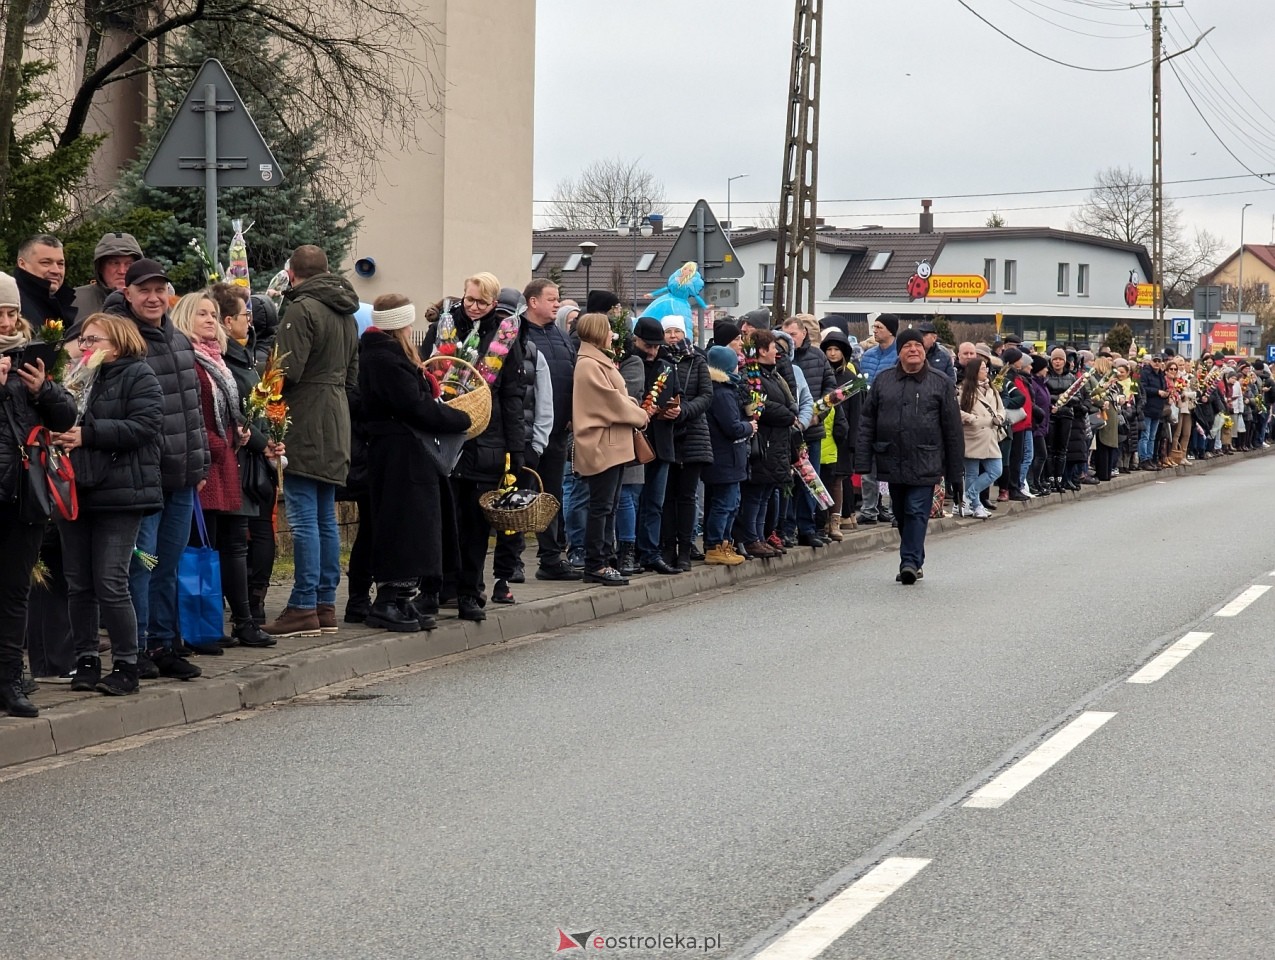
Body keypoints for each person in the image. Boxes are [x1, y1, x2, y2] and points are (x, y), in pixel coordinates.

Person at [109, 259, 209, 681]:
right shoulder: (122, 342)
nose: (153, 298)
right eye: (143, 290)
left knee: (167, 564)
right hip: (144, 478)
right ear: (127, 294)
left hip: (182, 475)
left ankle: (166, 643)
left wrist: (199, 461)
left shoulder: (180, 342)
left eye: (159, 290)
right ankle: (139, 646)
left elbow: (192, 410)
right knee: (142, 566)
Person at [52, 314, 162, 695]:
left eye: (93, 340)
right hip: (74, 489)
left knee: (111, 581)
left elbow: (146, 426)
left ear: (117, 343)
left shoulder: (139, 375)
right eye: (82, 340)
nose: (85, 347)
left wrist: (88, 434)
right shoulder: (77, 377)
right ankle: (86, 659)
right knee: (78, 583)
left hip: (120, 492)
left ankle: (127, 663)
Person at [358, 294, 472, 629]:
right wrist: (456, 418)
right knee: (402, 526)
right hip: (398, 454)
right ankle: (389, 598)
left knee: (416, 525)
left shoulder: (387, 354)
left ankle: (403, 597)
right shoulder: (384, 358)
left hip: (407, 452)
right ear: (399, 323)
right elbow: (412, 405)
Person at [266, 245, 360, 637]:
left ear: (291, 274)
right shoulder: (347, 314)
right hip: (337, 414)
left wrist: (264, 388)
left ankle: (303, 605)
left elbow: (287, 370)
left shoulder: (302, 309)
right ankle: (324, 604)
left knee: (304, 517)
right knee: (325, 517)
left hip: (304, 415)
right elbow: (353, 377)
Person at [422, 272, 526, 621]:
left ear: (494, 303)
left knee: (476, 526)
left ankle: (470, 591)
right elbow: (425, 374)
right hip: (445, 436)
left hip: (486, 440)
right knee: (443, 521)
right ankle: (437, 589)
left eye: (482, 302)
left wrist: (516, 449)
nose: (475, 307)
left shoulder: (508, 337)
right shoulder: (444, 329)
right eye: (470, 300)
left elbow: (513, 395)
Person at [0, 308, 75, 715]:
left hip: (25, 496)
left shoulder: (30, 357)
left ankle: (10, 680)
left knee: (15, 593)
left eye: (11, 312)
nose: (6, 321)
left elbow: (66, 415)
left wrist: (43, 390)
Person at [856, 327, 964, 584]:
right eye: (907, 346)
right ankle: (915, 556)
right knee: (902, 514)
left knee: (916, 511)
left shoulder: (940, 382)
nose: (913, 350)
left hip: (926, 460)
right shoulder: (883, 380)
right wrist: (862, 459)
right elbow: (867, 421)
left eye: (917, 345)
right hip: (892, 458)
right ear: (900, 351)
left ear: (924, 350)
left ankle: (909, 562)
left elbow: (953, 430)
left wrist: (955, 472)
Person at [212, 283, 281, 628]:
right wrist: (262, 440)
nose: (250, 321)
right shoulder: (226, 360)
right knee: (236, 539)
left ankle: (252, 604)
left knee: (257, 532)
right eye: (244, 315)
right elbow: (236, 412)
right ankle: (244, 610)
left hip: (255, 456)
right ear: (227, 321)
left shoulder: (244, 353)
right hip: (241, 456)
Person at [570, 312, 650, 585]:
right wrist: (639, 415)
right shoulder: (589, 365)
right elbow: (611, 402)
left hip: (611, 443)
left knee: (609, 505)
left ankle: (604, 559)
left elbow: (618, 397)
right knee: (601, 506)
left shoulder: (597, 361)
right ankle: (596, 564)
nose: (612, 334)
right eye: (608, 329)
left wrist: (632, 408)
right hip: (602, 444)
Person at [492, 286, 554, 603]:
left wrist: (536, 445)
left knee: (513, 514)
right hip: (488, 445)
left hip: (522, 445)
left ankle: (507, 572)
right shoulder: (486, 348)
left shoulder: (531, 353)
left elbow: (544, 403)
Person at [519, 279, 579, 583]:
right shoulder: (516, 333)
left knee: (551, 495)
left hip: (557, 430)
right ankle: (512, 559)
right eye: (552, 299)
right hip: (525, 432)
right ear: (533, 302)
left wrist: (570, 415)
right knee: (518, 495)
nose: (557, 304)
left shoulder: (559, 335)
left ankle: (551, 557)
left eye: (558, 299)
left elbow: (570, 376)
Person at [627, 316, 682, 575]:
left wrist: (676, 410)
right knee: (632, 501)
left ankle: (650, 552)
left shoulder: (666, 364)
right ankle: (629, 552)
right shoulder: (628, 362)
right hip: (634, 443)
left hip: (662, 441)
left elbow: (677, 396)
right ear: (636, 340)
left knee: (654, 503)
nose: (652, 351)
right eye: (648, 345)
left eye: (656, 346)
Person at [736, 330, 797, 558]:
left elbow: (791, 403)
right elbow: (761, 405)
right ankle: (751, 538)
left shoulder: (773, 375)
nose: (777, 353)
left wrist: (790, 412)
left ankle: (760, 536)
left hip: (778, 442)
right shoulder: (752, 376)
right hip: (764, 443)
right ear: (762, 350)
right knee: (755, 494)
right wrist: (787, 414)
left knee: (766, 493)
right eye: (773, 348)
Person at [658, 316, 713, 571]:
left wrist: (684, 411)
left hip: (693, 434)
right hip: (666, 433)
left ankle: (685, 549)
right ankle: (667, 547)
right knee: (667, 495)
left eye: (676, 332)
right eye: (668, 331)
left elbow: (706, 395)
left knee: (687, 496)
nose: (672, 336)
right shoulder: (659, 360)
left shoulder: (697, 360)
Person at [701, 345, 751, 565]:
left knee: (729, 501)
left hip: (726, 457)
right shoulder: (722, 392)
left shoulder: (721, 389)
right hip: (726, 458)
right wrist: (750, 426)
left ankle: (724, 543)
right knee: (725, 503)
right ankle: (716, 545)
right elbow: (732, 427)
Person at [855, 313, 900, 525]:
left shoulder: (900, 355)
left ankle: (893, 509)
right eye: (874, 327)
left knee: (891, 467)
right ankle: (869, 508)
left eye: (879, 327)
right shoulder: (868, 355)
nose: (875, 330)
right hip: (870, 415)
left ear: (891, 330)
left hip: (891, 417)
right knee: (868, 467)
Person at [819, 328, 861, 538]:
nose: (832, 353)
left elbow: (856, 412)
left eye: (836, 349)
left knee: (838, 479)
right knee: (823, 479)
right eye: (829, 349)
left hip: (842, 437)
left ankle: (836, 519)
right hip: (824, 432)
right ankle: (822, 518)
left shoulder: (850, 378)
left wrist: (853, 439)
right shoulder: (822, 373)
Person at [956, 355, 1002, 519]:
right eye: (983, 368)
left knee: (996, 470)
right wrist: (972, 419)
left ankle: (967, 498)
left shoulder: (992, 389)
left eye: (986, 368)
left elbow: (1000, 408)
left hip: (990, 435)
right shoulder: (963, 390)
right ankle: (975, 505)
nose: (986, 371)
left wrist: (1000, 418)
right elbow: (956, 411)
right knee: (971, 473)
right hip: (972, 435)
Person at [71, 232, 143, 317]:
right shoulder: (74, 301)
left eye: (129, 264)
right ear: (100, 267)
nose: (122, 271)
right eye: (114, 263)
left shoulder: (151, 302)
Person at [15, 234, 76, 326]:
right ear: (22, 264)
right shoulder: (12, 303)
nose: (56, 270)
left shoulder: (60, 301)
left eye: (60, 264)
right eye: (46, 262)